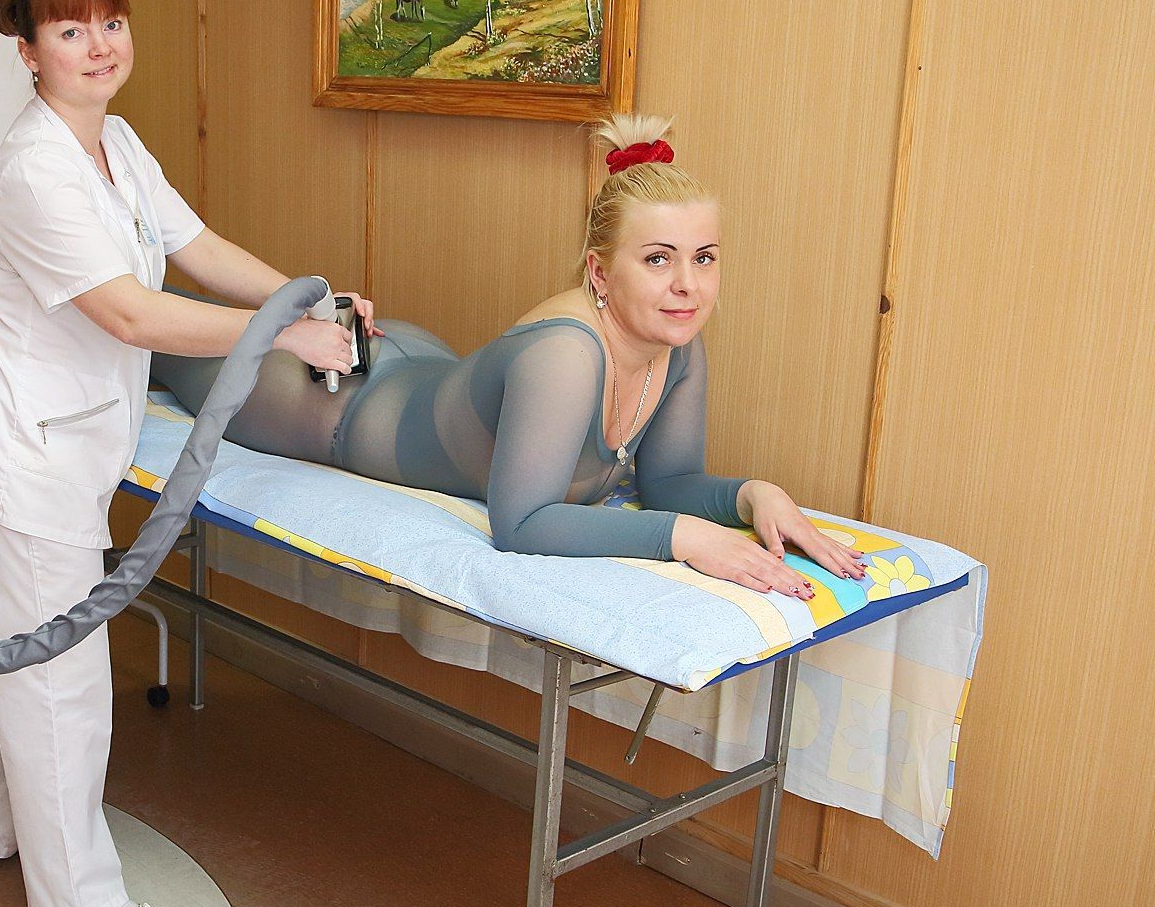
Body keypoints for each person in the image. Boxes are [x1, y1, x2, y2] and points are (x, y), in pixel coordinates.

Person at [0, 0, 374, 907]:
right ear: (28, 51)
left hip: (53, 448)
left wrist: (311, 296)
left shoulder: (114, 143)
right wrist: (284, 337)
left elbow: (196, 249)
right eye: (70, 30)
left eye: (111, 24)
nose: (98, 47)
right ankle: (79, 898)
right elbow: (129, 314)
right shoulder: (36, 168)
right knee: (58, 682)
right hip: (21, 459)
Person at [152, 114, 866, 599]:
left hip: (416, 364)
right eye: (658, 258)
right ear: (599, 272)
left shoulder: (675, 346)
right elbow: (521, 524)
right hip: (330, 405)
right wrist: (683, 539)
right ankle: (101, 277)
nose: (688, 284)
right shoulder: (565, 353)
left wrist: (749, 496)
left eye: (703, 257)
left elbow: (669, 481)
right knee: (149, 338)